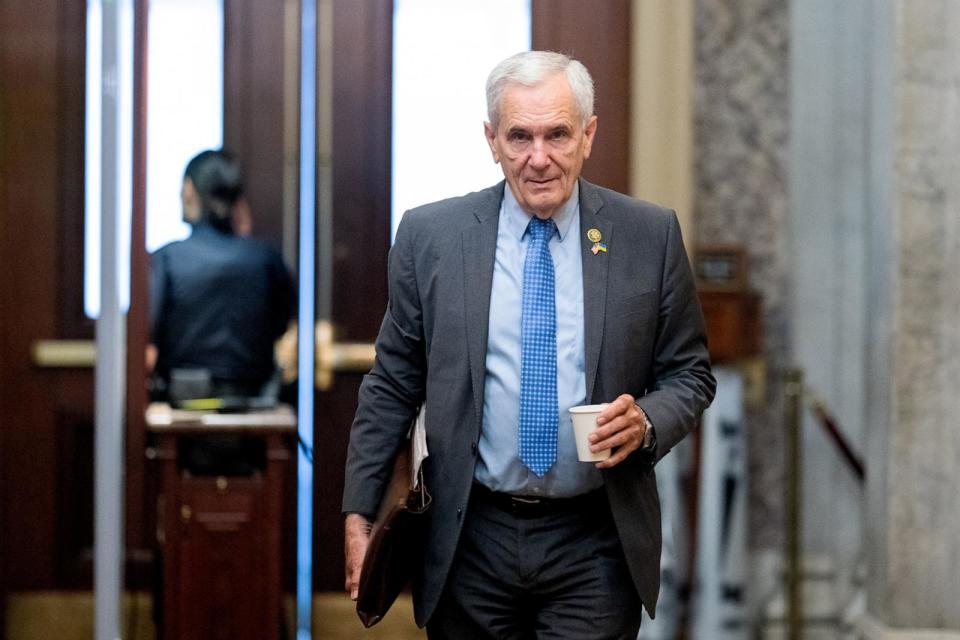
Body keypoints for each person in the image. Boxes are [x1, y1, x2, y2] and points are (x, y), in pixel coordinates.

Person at [343, 51, 715, 639]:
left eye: (557, 135)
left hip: (595, 539)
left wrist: (645, 420)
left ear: (588, 135)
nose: (538, 158)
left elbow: (690, 374)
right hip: (470, 536)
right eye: (519, 136)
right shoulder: (430, 238)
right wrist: (359, 515)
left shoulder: (649, 236)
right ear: (491, 139)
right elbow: (392, 382)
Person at [149, 148, 295, 404]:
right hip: (256, 401)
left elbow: (149, 340)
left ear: (189, 189)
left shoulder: (166, 260)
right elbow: (281, 325)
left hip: (181, 403)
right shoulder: (266, 259)